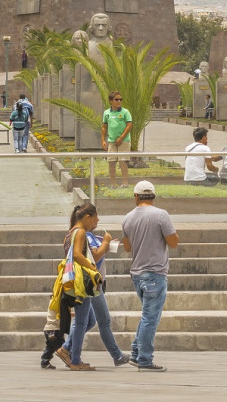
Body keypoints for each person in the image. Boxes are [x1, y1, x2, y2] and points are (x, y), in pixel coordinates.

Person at [57, 204, 130, 370]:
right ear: (87, 217)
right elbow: (77, 254)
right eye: (95, 218)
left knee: (87, 320)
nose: (96, 222)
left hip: (76, 281)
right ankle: (75, 361)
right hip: (83, 282)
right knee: (82, 321)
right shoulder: (81, 232)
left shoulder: (70, 233)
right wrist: (92, 268)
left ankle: (69, 352)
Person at [121, 180, 179, 372]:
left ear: (136, 196)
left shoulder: (128, 218)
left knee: (147, 315)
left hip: (137, 273)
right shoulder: (161, 215)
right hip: (155, 272)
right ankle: (145, 359)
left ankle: (137, 353)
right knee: (150, 318)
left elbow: (127, 247)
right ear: (153, 196)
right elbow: (173, 242)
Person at [101, 91, 133, 188]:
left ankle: (125, 183)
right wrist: (103, 140)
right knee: (111, 162)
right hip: (111, 142)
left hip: (124, 141)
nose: (119, 101)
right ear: (111, 101)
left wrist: (121, 138)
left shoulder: (125, 112)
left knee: (122, 162)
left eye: (120, 99)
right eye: (116, 99)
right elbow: (104, 127)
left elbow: (129, 125)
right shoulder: (106, 113)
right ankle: (113, 184)